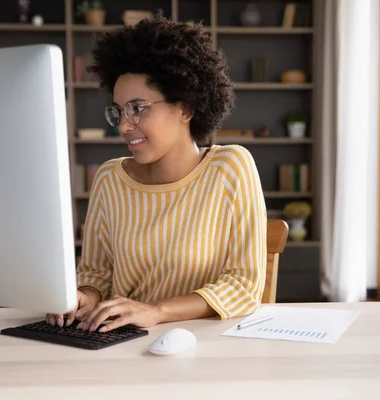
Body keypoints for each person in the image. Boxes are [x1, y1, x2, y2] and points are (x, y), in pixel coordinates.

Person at [47, 15, 267, 333]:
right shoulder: (110, 178)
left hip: (204, 344)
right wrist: (86, 297)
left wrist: (156, 312)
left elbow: (243, 286)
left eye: (137, 107)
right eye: (119, 110)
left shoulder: (229, 168)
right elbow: (96, 274)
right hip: (117, 341)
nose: (123, 125)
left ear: (185, 107)